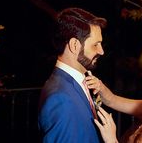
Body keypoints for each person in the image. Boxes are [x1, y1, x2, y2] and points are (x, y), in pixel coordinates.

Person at [39, 7, 108, 143]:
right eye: (96, 45)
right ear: (74, 45)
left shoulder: (77, 81)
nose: (102, 51)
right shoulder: (61, 99)